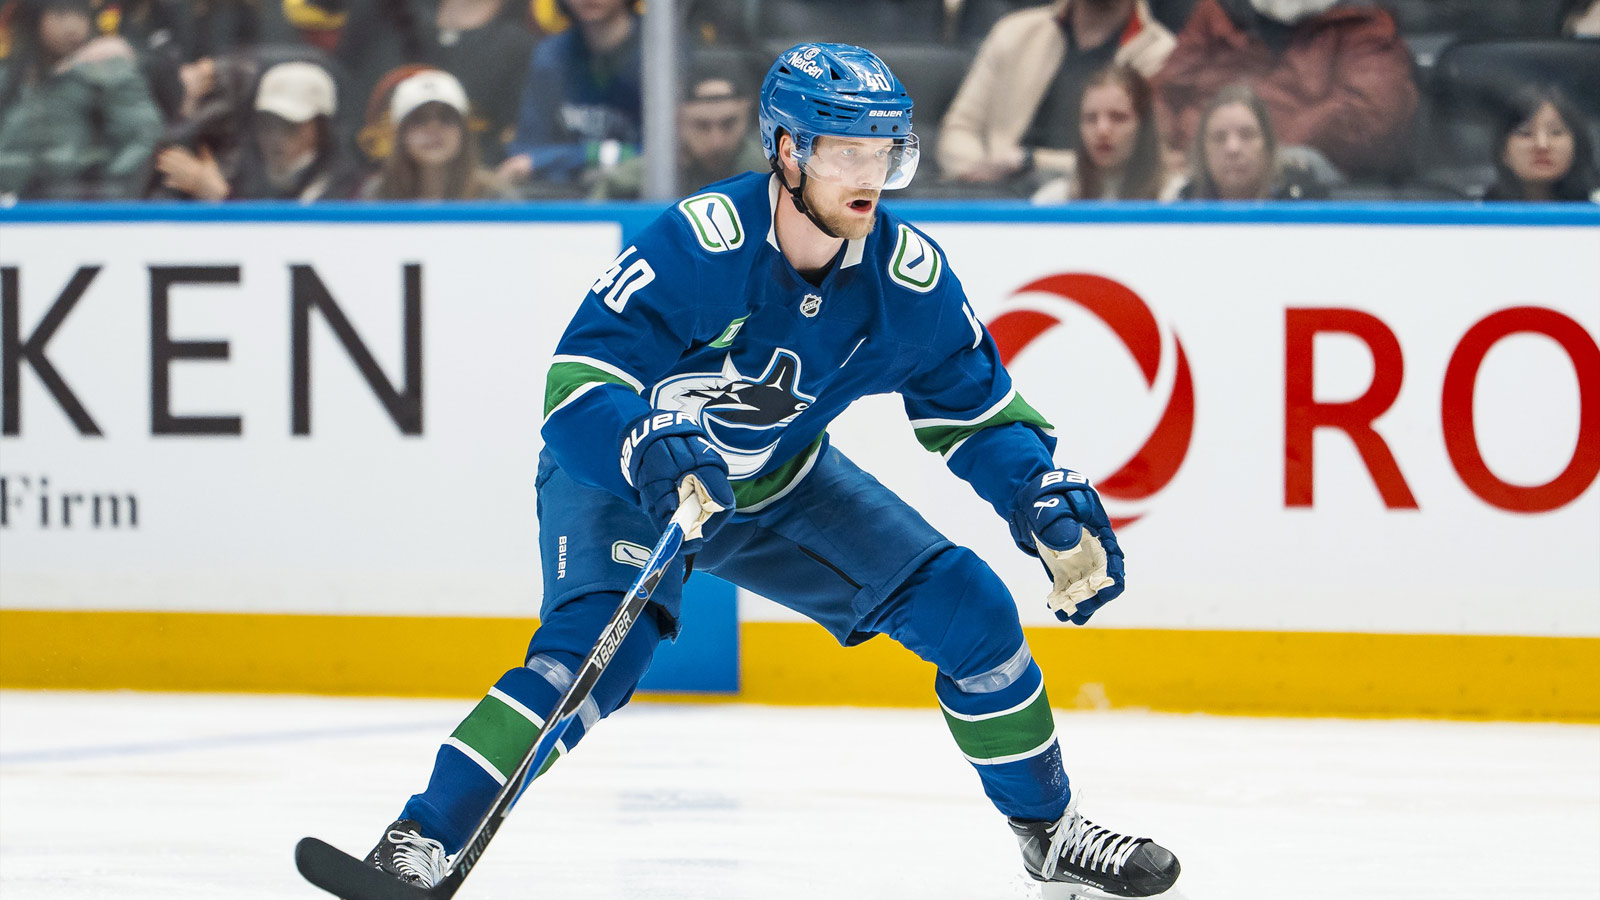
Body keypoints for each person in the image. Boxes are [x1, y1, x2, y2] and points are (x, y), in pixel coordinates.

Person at [348, 43, 1182, 898]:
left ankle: (1048, 834)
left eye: (885, 152)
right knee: (587, 663)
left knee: (974, 612)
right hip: (627, 484)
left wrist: (1037, 493)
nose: (871, 174)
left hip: (781, 488)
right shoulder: (703, 241)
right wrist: (646, 443)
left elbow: (973, 412)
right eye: (845, 150)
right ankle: (420, 839)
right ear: (786, 150)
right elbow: (576, 386)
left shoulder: (907, 279)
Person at [1151, 0, 1418, 178]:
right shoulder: (1218, 11)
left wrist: (1259, 147)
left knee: (1296, 163)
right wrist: (1158, 150)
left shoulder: (1360, 20)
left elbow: (1371, 115)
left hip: (1303, 182)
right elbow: (1164, 92)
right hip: (1204, 173)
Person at [937, 0, 1176, 188]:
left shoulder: (1161, 54)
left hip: (1088, 204)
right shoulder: (1014, 32)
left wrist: (1030, 162)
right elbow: (959, 129)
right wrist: (979, 168)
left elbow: (1150, 161)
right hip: (994, 194)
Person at [0, 0, 163, 200]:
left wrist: (110, 189)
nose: (72, 27)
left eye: (80, 15)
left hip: (89, 206)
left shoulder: (108, 71)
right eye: (59, 15)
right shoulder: (12, 79)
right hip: (18, 208)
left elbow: (143, 135)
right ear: (34, 18)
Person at [155, 58, 362, 201]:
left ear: (320, 128)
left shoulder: (347, 190)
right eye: (267, 124)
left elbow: (288, 246)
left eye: (289, 126)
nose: (275, 138)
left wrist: (220, 197)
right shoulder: (247, 174)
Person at [499, 0, 641, 193]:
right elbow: (526, 152)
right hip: (560, 197)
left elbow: (664, 157)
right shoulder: (550, 56)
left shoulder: (662, 54)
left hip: (639, 196)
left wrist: (555, 160)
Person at [589, 66, 768, 199]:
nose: (717, 142)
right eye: (702, 126)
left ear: (747, 116)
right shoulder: (639, 178)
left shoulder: (771, 174)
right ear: (678, 120)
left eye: (728, 124)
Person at [1032, 64, 1182, 202]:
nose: (1102, 130)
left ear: (1144, 126)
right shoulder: (1053, 201)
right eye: (1090, 119)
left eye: (1118, 117)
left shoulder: (1175, 198)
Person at [361, 68, 513, 200]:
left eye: (446, 118)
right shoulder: (378, 193)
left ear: (464, 132)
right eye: (419, 120)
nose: (433, 129)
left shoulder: (494, 195)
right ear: (400, 135)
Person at [1177, 83, 1329, 200]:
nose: (1232, 148)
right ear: (1203, 150)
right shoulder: (1185, 204)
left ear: (1268, 144)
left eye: (1247, 135)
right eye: (1219, 138)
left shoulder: (1302, 199)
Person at [1482, 84, 1600, 203]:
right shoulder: (1477, 212)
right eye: (1525, 133)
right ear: (1503, 150)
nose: (1542, 144)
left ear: (1577, 146)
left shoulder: (1595, 208)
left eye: (1556, 132)